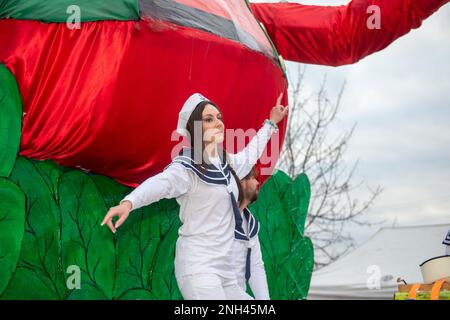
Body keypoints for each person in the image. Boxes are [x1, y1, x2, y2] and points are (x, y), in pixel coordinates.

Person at [101, 92, 288, 299]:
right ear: (195, 128)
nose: (218, 123)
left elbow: (251, 153)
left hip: (225, 272)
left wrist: (271, 123)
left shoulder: (227, 163)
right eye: (209, 119)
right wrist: (129, 203)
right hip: (198, 268)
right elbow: (161, 184)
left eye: (219, 118)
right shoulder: (186, 168)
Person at [232, 166, 270, 300]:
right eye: (253, 177)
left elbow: (256, 268)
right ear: (241, 181)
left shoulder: (250, 224)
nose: (257, 182)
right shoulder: (219, 218)